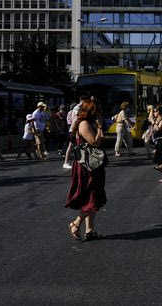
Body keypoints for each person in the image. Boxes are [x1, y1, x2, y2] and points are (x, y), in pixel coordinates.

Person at [65, 99, 107, 242]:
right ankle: (76, 223)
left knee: (92, 197)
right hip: (87, 166)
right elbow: (94, 142)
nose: (98, 112)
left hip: (91, 164)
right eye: (96, 110)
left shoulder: (87, 122)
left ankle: (90, 230)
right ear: (90, 111)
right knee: (93, 197)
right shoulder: (84, 124)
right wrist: (100, 127)